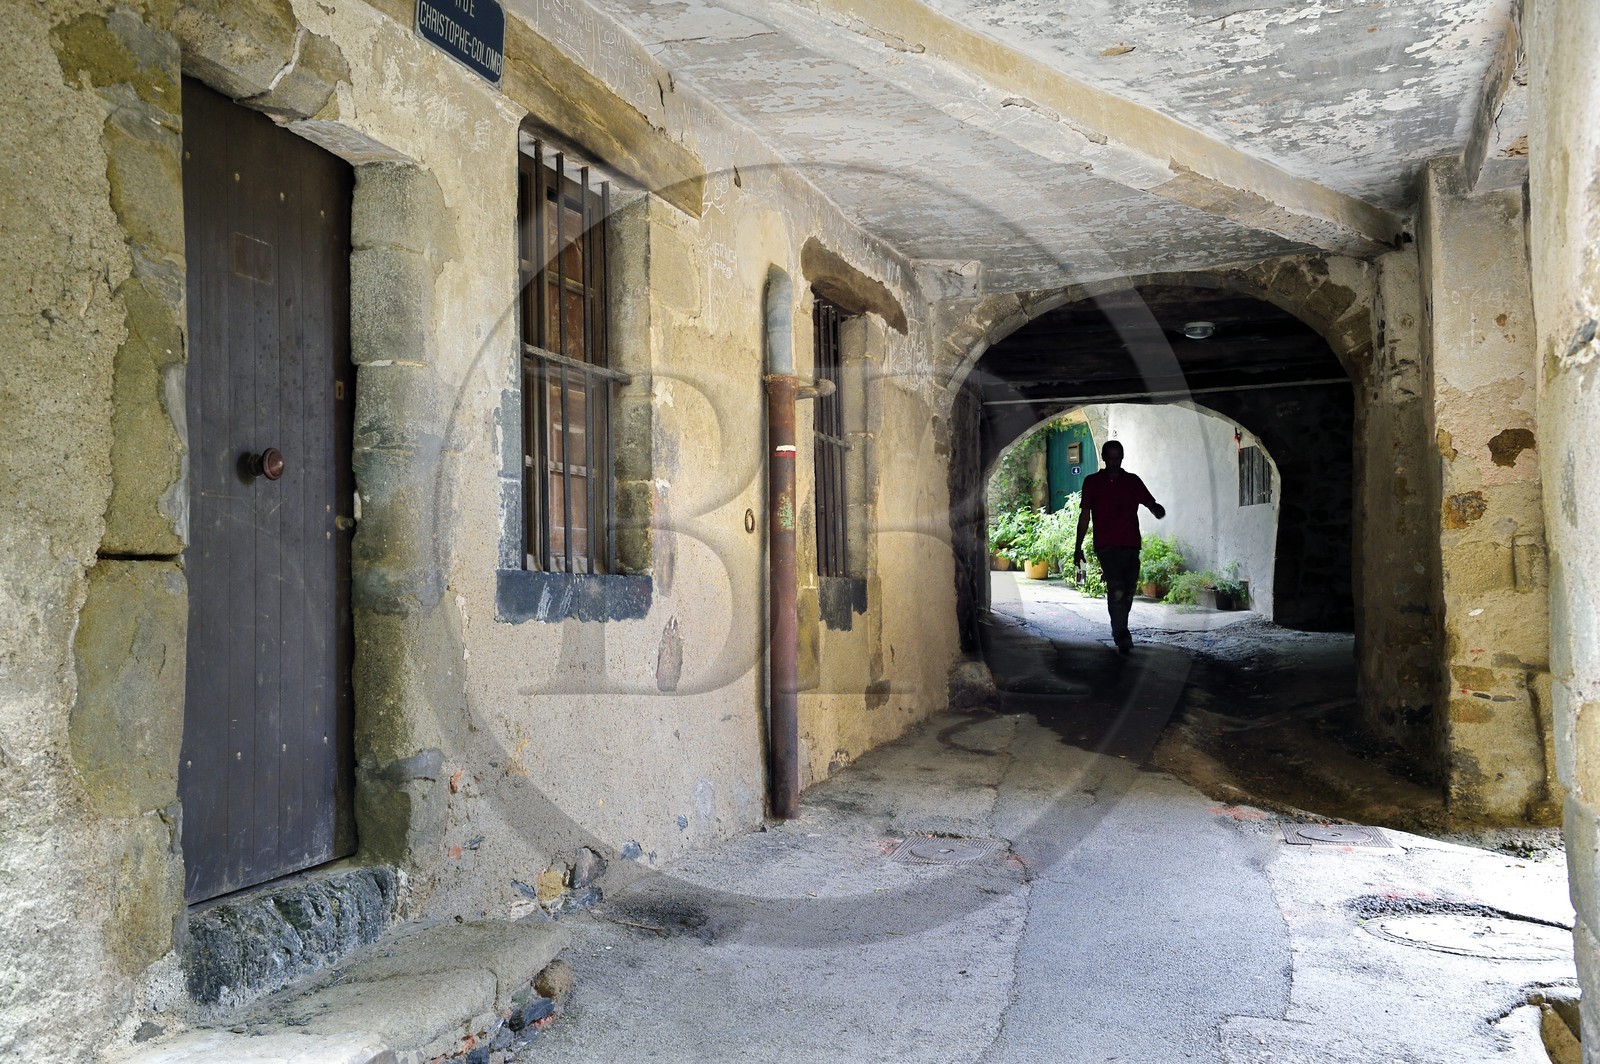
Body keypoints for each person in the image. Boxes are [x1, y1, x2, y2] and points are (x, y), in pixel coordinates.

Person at [1073, 440, 1166, 655]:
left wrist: (1156, 509)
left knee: (1128, 591)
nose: (1114, 462)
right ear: (1104, 458)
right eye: (1111, 458)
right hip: (1106, 546)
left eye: (1118, 457)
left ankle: (1120, 627)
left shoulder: (1133, 481)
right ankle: (1121, 634)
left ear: (1122, 457)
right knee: (1116, 589)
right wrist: (1078, 547)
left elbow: (1150, 503)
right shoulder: (1092, 482)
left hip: (1131, 545)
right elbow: (1085, 516)